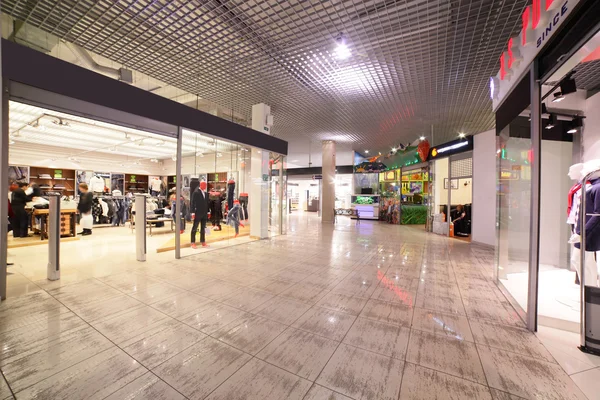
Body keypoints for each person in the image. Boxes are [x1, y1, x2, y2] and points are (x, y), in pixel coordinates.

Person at [190, 181, 210, 249]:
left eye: (206, 185)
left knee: (203, 227)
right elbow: (192, 203)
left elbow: (207, 203)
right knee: (195, 227)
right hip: (197, 212)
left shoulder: (206, 193)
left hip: (204, 213)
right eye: (204, 185)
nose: (205, 186)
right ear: (201, 185)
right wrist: (192, 213)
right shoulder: (196, 192)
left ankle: (203, 241)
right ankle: (192, 242)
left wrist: (208, 212)